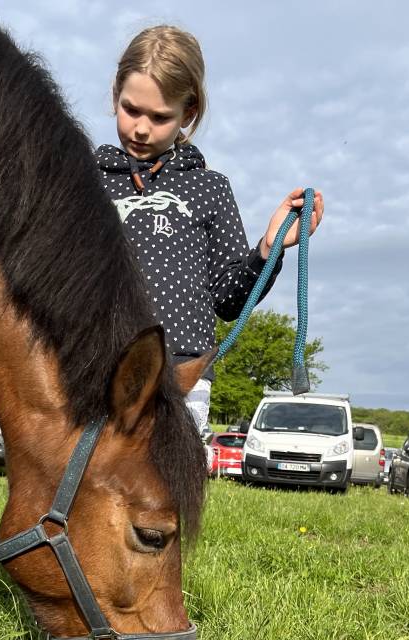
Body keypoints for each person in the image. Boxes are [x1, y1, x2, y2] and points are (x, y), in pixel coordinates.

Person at [96, 25, 324, 434]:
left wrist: (269, 246)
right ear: (115, 96)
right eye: (132, 110)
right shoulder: (86, 180)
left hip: (184, 373)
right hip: (95, 366)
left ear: (189, 113)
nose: (142, 128)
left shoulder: (210, 188)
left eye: (160, 117)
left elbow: (229, 300)